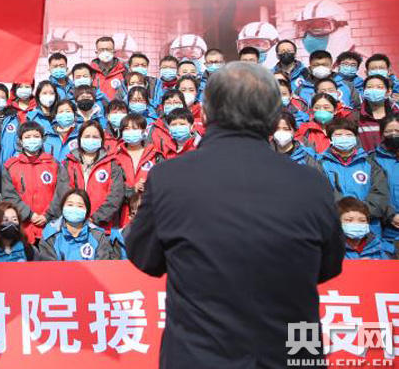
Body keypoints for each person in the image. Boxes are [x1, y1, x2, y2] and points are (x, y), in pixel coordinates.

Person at [126, 62, 344, 368]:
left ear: (205, 113)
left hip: (201, 355)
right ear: (274, 118)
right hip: (295, 353)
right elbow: (329, 266)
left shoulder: (170, 178)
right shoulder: (311, 183)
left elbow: (145, 257)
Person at [318, 117, 389, 236]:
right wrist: (344, 214)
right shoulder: (320, 164)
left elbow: (380, 194)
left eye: (348, 134)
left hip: (369, 227)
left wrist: (360, 214)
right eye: (338, 135)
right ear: (331, 139)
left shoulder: (370, 164)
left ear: (355, 138)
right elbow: (321, 194)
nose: (344, 138)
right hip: (334, 227)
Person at [54, 121, 123, 227]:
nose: (91, 139)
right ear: (80, 139)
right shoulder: (69, 162)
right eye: (87, 136)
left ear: (101, 140)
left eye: (95, 137)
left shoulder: (112, 164)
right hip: (72, 222)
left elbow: (116, 195)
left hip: (101, 225)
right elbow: (63, 191)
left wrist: (95, 218)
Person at [0, 122, 61, 243]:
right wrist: (30, 215)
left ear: (42, 139)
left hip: (50, 228)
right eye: (27, 137)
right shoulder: (10, 166)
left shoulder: (54, 164)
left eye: (36, 136)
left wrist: (47, 215)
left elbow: (61, 193)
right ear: (20, 141)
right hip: (22, 228)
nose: (32, 140)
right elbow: (9, 195)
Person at [38, 189, 114, 261]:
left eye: (80, 206)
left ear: (87, 211)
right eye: (70, 205)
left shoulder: (98, 236)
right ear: (62, 207)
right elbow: (48, 265)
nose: (74, 208)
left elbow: (102, 264)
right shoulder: (50, 235)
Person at [368, 114, 399, 254]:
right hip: (385, 229)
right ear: (382, 134)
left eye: (397, 131)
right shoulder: (372, 159)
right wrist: (391, 216)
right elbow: (374, 192)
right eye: (388, 131)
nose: (393, 135)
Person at [357, 74, 397, 151]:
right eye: (369, 87)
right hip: (366, 158)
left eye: (379, 87)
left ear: (388, 92)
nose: (374, 90)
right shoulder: (355, 116)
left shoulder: (396, 114)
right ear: (364, 91)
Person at [91, 36, 127, 102]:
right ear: (96, 52)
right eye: (101, 50)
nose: (105, 52)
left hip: (118, 107)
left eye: (108, 49)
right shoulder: (90, 71)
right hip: (97, 108)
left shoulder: (124, 70)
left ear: (114, 51)